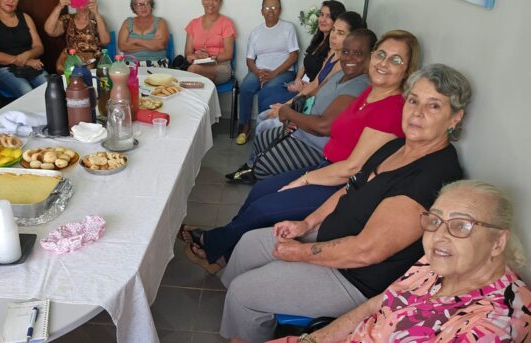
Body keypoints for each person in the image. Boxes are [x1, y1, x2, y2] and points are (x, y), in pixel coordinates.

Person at [219, 63, 470, 343]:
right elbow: (349, 189)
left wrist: (300, 253)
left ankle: (244, 314)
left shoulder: (434, 174)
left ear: (455, 118)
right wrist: (306, 223)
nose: (418, 113)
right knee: (248, 245)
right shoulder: (396, 146)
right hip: (332, 235)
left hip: (354, 277)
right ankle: (240, 319)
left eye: (434, 106)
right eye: (413, 100)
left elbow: (366, 252)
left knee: (245, 292)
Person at [181, 30, 420, 271]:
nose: (384, 63)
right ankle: (223, 253)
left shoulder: (391, 109)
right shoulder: (370, 92)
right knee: (260, 191)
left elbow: (353, 168)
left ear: (408, 69)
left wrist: (304, 180)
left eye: (396, 60)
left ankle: (214, 244)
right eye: (382, 55)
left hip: (342, 186)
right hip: (326, 166)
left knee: (264, 207)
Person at [269, 180, 531, 342]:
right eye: (435, 220)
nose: (438, 236)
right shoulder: (439, 263)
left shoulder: (496, 324)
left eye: (461, 226)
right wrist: (313, 341)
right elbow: (378, 304)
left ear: (498, 242)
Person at [230, 28, 374, 184]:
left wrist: (289, 114)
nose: (349, 58)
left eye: (358, 53)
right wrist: (294, 110)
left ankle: (269, 186)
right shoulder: (340, 74)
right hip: (303, 128)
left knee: (263, 167)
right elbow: (312, 93)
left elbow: (324, 127)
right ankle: (255, 170)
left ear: (371, 56)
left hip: (317, 145)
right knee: (263, 139)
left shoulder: (359, 85)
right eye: (346, 52)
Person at [257, 0, 346, 113]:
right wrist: (298, 79)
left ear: (337, 20)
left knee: (268, 102)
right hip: (299, 84)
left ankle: (271, 127)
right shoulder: (318, 40)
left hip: (308, 92)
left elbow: (322, 80)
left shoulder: (334, 46)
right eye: (321, 15)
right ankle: (262, 127)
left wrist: (302, 87)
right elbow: (304, 65)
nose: (323, 19)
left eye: (328, 16)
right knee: (263, 94)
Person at [234, 0, 299, 145]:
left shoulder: (288, 28)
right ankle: (245, 127)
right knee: (246, 88)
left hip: (283, 72)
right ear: (261, 11)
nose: (271, 10)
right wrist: (258, 72)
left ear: (280, 10)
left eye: (275, 7)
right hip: (259, 71)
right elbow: (249, 60)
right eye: (267, 7)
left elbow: (294, 55)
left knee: (268, 91)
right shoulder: (256, 32)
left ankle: (263, 132)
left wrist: (274, 73)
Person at [0, 0, 48, 97]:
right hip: (3, 68)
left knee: (50, 87)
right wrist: (25, 61)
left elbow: (39, 47)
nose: (11, 1)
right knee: (27, 91)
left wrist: (27, 55)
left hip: (30, 65)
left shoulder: (25, 17)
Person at [45, 0, 110, 73]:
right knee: (60, 67)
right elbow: (49, 31)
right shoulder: (68, 18)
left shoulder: (96, 19)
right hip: (71, 56)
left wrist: (96, 14)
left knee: (84, 70)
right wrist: (59, 7)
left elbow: (106, 41)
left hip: (90, 58)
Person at [184, 0, 236, 84]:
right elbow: (188, 53)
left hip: (220, 66)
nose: (210, 3)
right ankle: (208, 97)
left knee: (193, 71)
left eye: (215, 0)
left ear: (220, 2)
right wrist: (194, 56)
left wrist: (209, 58)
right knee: (194, 74)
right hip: (198, 64)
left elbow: (228, 54)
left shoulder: (226, 23)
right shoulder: (193, 24)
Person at [118, 0, 170, 67]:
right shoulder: (127, 22)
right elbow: (122, 47)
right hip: (130, 63)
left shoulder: (160, 22)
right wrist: (151, 44)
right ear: (134, 7)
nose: (143, 7)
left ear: (151, 5)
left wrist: (136, 41)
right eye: (139, 4)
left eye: (146, 3)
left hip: (157, 62)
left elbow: (160, 45)